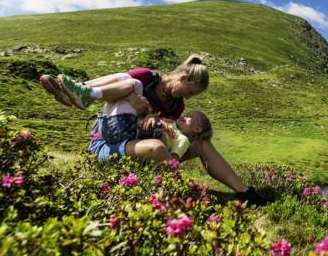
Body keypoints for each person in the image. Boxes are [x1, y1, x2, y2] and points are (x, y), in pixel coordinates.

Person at [39, 55, 266, 204]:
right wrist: (137, 103)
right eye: (189, 91)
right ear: (183, 78)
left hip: (140, 144)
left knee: (201, 143)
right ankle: (79, 90)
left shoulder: (178, 106)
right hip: (111, 139)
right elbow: (118, 93)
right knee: (128, 82)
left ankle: (245, 193)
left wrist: (153, 118)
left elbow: (169, 135)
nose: (188, 98)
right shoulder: (146, 78)